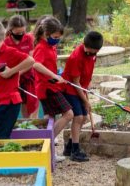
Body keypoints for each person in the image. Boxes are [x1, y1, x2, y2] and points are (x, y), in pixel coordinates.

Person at [33, 16, 74, 161]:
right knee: (68, 114)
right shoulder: (41, 47)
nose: (57, 39)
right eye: (55, 37)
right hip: (47, 88)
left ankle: (48, 152)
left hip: (52, 85)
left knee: (50, 118)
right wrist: (54, 76)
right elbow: (36, 65)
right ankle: (47, 141)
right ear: (45, 33)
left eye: (58, 37)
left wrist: (58, 74)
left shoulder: (50, 46)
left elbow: (47, 65)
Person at [62, 31, 103, 162]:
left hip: (81, 88)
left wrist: (88, 86)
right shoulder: (76, 57)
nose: (91, 54)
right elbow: (75, 82)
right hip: (70, 89)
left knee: (84, 117)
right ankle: (75, 151)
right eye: (89, 51)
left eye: (94, 52)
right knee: (78, 116)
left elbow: (88, 72)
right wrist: (86, 101)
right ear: (84, 45)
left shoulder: (92, 55)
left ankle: (68, 147)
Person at [4, 15, 38, 118]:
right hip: (12, 77)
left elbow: (31, 61)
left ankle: (33, 129)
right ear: (11, 30)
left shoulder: (29, 39)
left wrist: (19, 72)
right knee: (19, 103)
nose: (21, 35)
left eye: (23, 32)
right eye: (18, 33)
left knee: (32, 102)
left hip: (28, 75)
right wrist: (13, 74)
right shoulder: (6, 43)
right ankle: (24, 125)